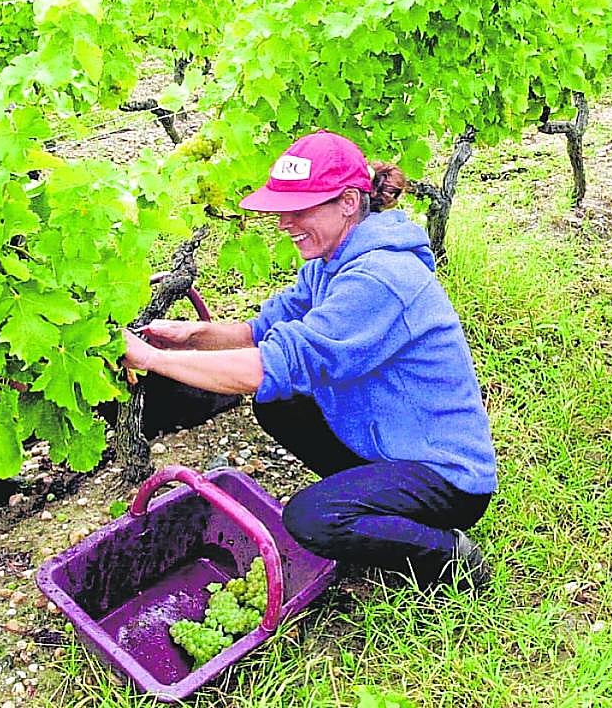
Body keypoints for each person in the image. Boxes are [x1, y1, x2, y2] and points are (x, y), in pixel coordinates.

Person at [122, 130, 497, 588]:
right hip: (388, 443)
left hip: (444, 474)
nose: (284, 223)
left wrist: (150, 359)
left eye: (300, 209)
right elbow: (261, 330)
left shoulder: (380, 278)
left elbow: (270, 366)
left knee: (313, 520)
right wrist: (190, 336)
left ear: (348, 202)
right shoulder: (330, 262)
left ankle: (451, 557)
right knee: (279, 403)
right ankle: (373, 505)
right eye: (282, 209)